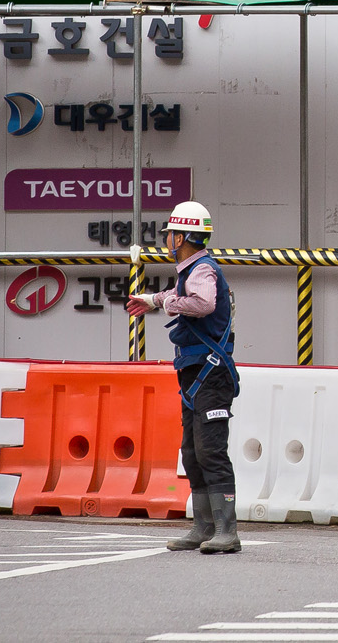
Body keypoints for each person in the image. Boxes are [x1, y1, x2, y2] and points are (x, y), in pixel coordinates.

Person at [128, 200, 241, 554]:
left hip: (211, 374)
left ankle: (227, 531)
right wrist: (153, 299)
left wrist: (164, 304)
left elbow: (203, 303)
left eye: (171, 234)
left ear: (183, 236)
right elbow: (180, 295)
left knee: (211, 449)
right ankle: (203, 528)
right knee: (192, 451)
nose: (168, 239)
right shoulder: (189, 271)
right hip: (195, 375)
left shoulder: (202, 271)